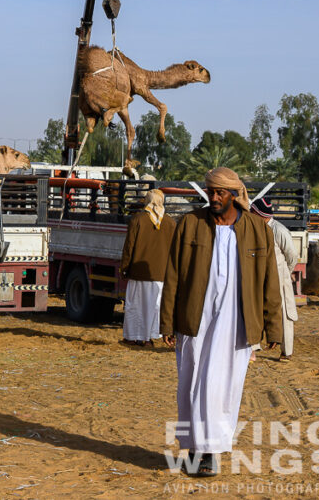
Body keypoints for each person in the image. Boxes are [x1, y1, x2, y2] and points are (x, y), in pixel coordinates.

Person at [160, 167, 283, 477]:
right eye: (210, 191)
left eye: (220, 193)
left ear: (233, 195)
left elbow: (269, 282)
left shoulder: (257, 229)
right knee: (191, 384)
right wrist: (166, 323)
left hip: (236, 323)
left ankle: (211, 451)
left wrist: (273, 328)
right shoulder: (190, 225)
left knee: (222, 386)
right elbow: (172, 275)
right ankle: (193, 450)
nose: (213, 197)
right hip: (193, 321)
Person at [120, 189, 175, 346]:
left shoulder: (137, 220)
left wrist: (124, 268)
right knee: (154, 307)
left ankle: (133, 337)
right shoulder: (170, 223)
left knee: (135, 306)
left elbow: (129, 247)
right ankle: (148, 338)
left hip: (138, 273)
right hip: (161, 274)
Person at [250, 197, 299, 362]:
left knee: (284, 313)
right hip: (256, 277)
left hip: (279, 278)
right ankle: (252, 349)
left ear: (260, 214)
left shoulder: (279, 230)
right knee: (253, 310)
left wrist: (284, 273)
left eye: (252, 212)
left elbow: (292, 256)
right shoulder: (251, 229)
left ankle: (287, 352)